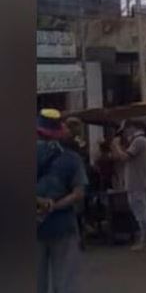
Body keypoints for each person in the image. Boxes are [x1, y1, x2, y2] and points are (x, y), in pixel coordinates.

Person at [37, 109, 88, 293]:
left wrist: (39, 202)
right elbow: (79, 193)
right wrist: (53, 205)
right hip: (63, 225)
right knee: (65, 281)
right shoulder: (72, 158)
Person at [111, 119, 146, 251]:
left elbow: (124, 157)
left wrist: (116, 146)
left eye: (125, 131)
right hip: (140, 181)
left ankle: (145, 240)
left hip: (137, 182)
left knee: (141, 212)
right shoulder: (143, 141)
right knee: (142, 210)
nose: (125, 134)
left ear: (131, 128)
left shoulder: (139, 141)